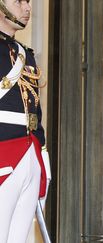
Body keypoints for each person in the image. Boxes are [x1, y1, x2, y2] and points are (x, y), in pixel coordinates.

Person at [0, 0, 50, 242]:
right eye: (18, 1)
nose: (27, 8)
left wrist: (41, 152)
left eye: (28, 2)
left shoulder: (25, 54)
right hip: (3, 152)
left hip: (29, 153)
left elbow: (35, 111)